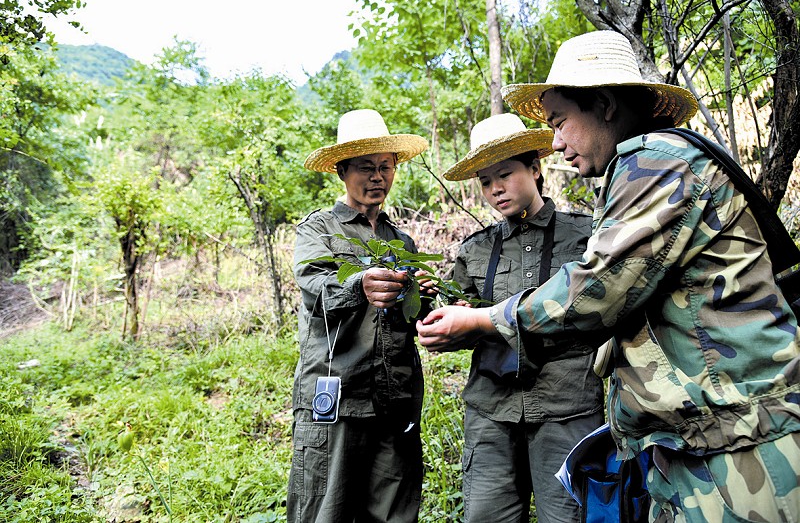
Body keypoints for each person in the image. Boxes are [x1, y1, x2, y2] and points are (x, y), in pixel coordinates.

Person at [417, 30, 800, 521]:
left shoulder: (657, 161)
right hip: (705, 435)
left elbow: (596, 290)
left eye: (559, 122)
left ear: (602, 104)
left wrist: (485, 319)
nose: (556, 143)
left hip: (739, 436)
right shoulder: (643, 166)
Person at [440, 113, 604, 522]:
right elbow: (453, 319)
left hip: (568, 408)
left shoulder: (587, 236)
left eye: (506, 174)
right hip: (491, 411)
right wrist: (438, 318)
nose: (496, 189)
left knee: (568, 516)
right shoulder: (475, 250)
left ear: (535, 169)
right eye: (484, 181)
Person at [287, 108, 432, 522]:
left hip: (395, 398)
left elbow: (413, 319)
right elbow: (314, 287)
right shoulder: (318, 230)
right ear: (341, 171)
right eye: (366, 168)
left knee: (393, 512)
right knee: (324, 509)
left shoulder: (400, 239)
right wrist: (359, 285)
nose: (377, 177)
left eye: (385, 167)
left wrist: (423, 296)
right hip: (338, 396)